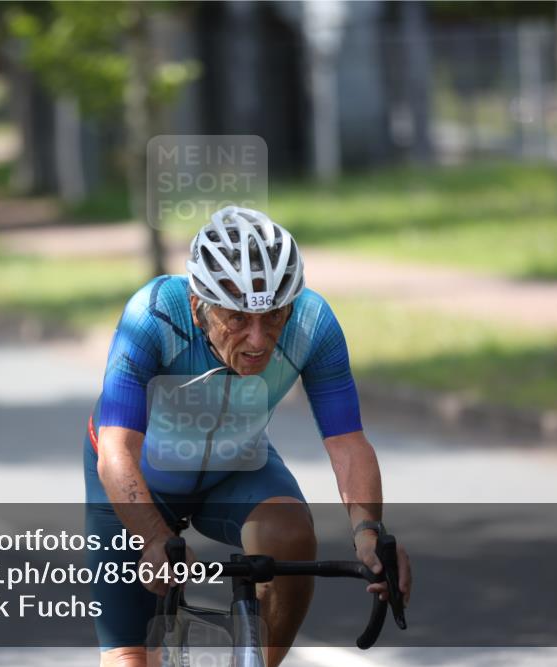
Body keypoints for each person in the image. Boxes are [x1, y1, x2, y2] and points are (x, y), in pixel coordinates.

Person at [84, 206, 412, 666]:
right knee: (130, 658)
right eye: (237, 319)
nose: (259, 340)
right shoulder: (154, 315)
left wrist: (369, 533)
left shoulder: (314, 324)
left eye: (274, 316)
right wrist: (153, 537)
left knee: (291, 534)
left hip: (234, 467)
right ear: (199, 306)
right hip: (134, 480)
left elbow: (347, 443)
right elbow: (116, 451)